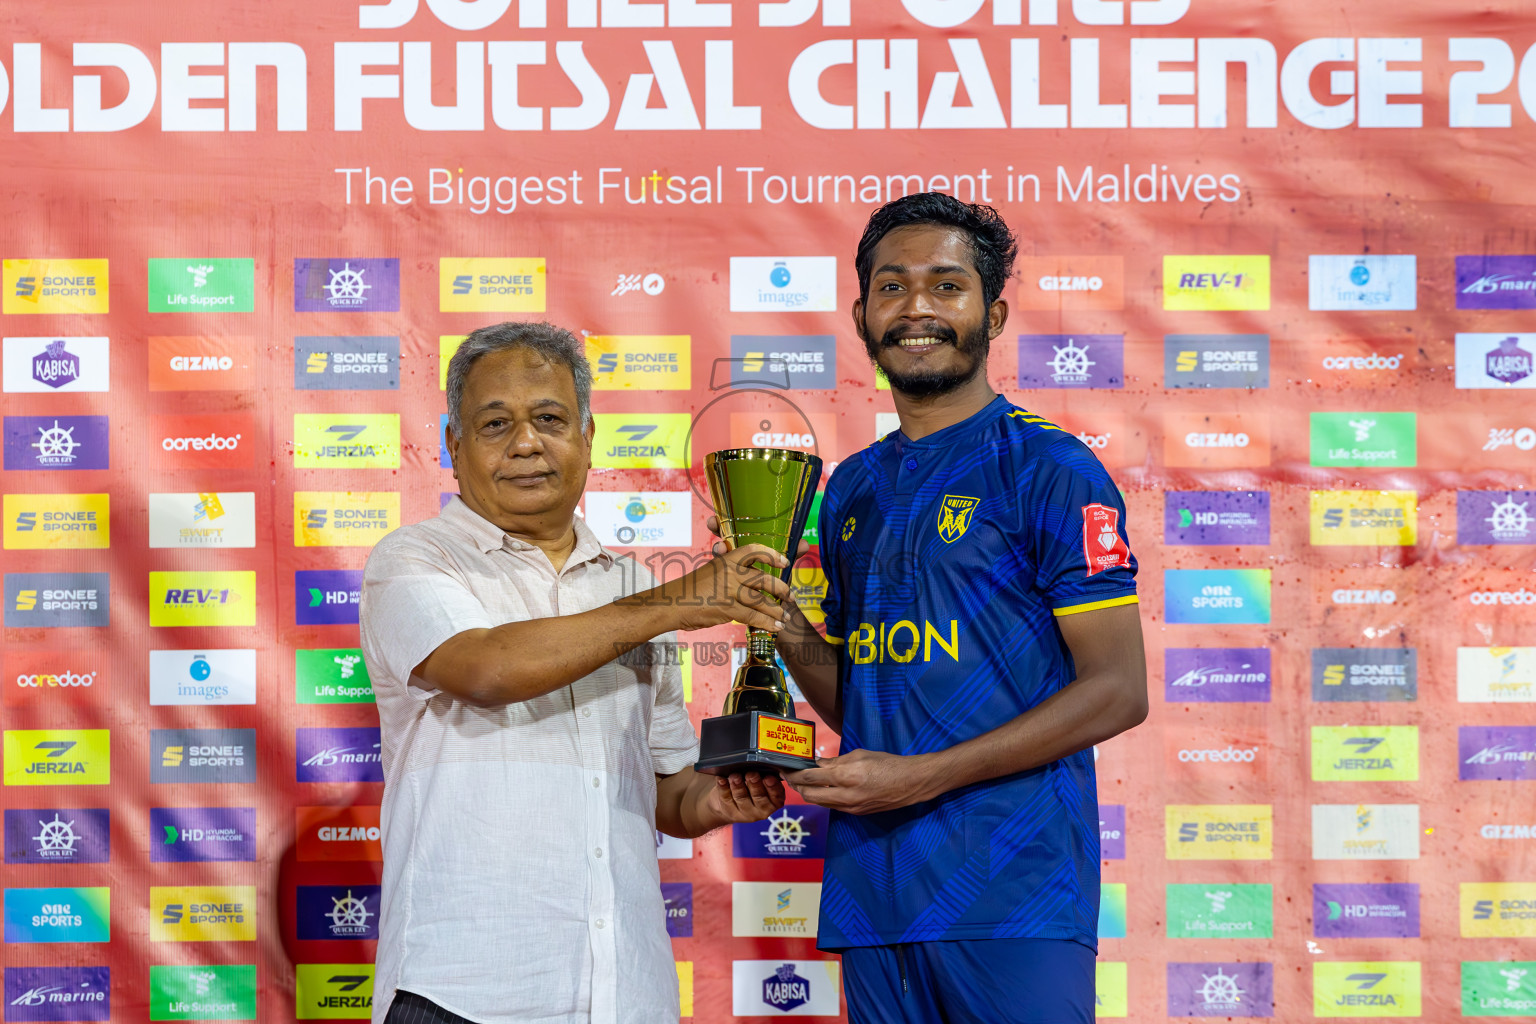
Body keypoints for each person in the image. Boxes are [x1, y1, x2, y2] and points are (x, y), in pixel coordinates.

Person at [774, 193, 1148, 1023]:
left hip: (1012, 890)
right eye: (892, 286)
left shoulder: (1049, 469)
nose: (916, 308)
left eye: (947, 286)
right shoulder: (851, 488)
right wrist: (784, 627)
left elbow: (1120, 689)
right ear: (862, 312)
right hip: (877, 894)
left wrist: (918, 778)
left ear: (995, 312)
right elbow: (867, 696)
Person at [359, 321, 789, 1024]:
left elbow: (665, 792)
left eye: (549, 419)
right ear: (453, 445)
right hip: (462, 992)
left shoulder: (631, 586)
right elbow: (487, 667)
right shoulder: (414, 560)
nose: (526, 443)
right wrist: (679, 600)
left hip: (624, 990)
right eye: (495, 423)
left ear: (588, 437)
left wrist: (716, 802)